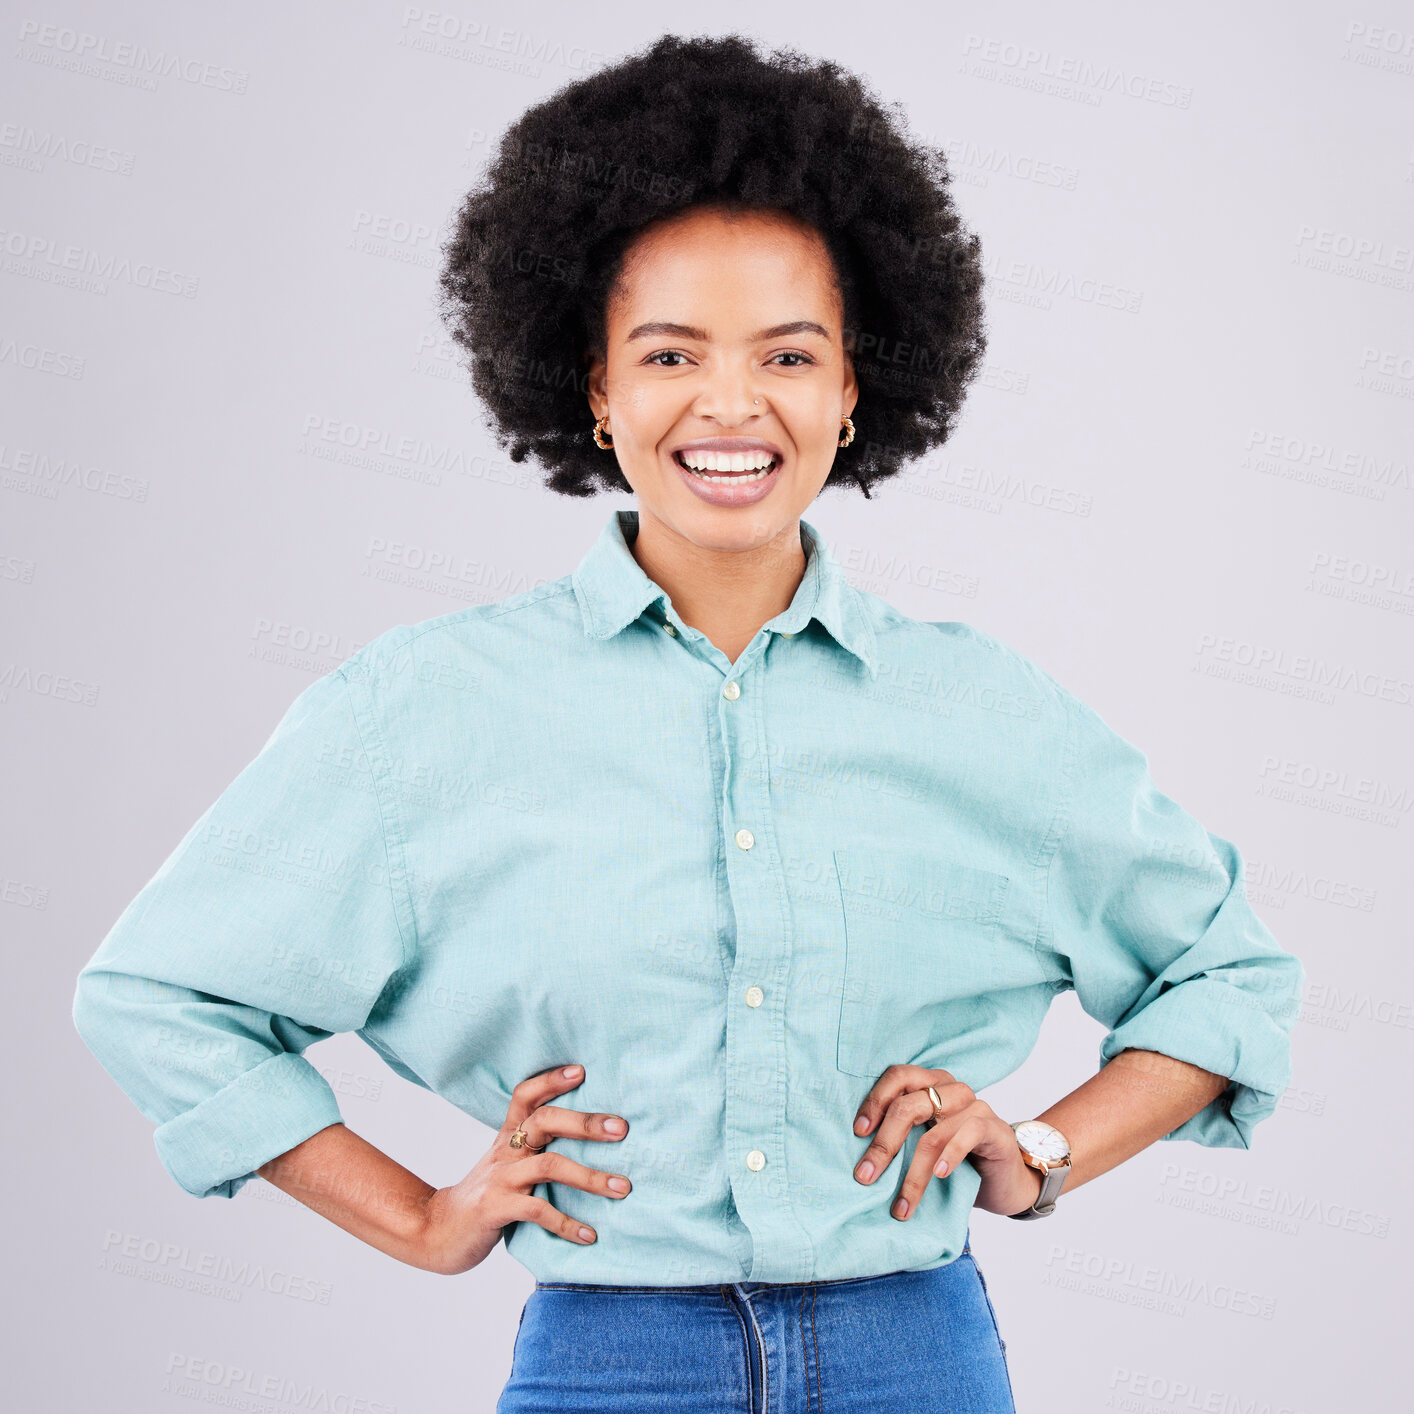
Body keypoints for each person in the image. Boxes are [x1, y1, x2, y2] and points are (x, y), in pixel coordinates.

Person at [72, 33, 1305, 1414]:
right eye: (668, 353)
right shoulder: (422, 711)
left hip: (918, 1357)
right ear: (593, 389)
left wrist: (1037, 1145)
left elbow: (1228, 974)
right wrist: (420, 1216)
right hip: (611, 1359)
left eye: (788, 352)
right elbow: (160, 996)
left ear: (853, 391)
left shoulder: (979, 714)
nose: (731, 404)